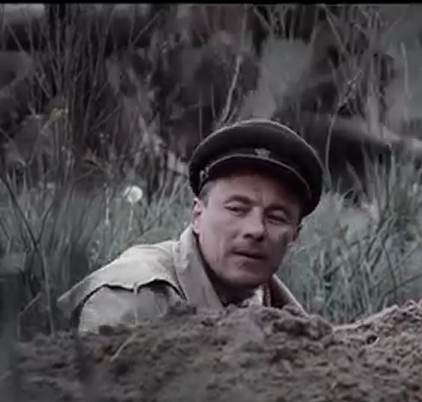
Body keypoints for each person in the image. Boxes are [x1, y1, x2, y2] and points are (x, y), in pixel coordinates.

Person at [57, 118, 325, 333]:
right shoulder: (136, 299)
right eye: (237, 209)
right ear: (197, 215)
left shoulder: (286, 316)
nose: (256, 229)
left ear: (295, 235)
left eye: (277, 217)